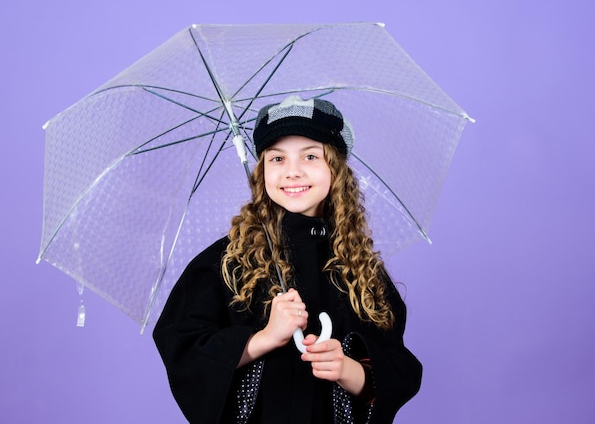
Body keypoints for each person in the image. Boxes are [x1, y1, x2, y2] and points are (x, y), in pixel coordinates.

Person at [153, 95, 422, 424]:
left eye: (310, 156)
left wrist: (348, 369)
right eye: (277, 159)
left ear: (334, 169)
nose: (292, 172)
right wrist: (262, 339)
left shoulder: (360, 268)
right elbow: (183, 348)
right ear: (261, 172)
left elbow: (401, 369)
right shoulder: (225, 263)